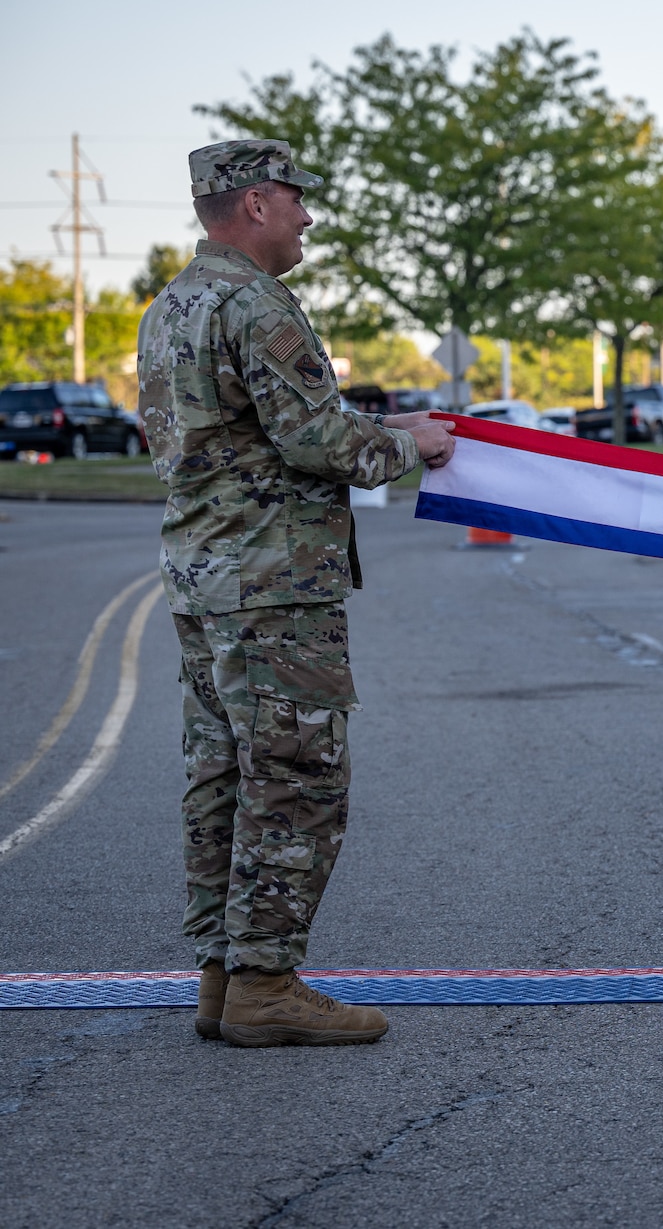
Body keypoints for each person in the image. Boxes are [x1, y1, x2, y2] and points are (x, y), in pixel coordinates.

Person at [138, 140, 456, 1047]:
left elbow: (238, 433)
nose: (308, 214)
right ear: (250, 206)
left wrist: (384, 421)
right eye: (295, 197)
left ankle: (220, 976)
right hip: (274, 586)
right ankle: (267, 984)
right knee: (295, 780)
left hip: (205, 580)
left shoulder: (171, 307)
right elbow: (316, 440)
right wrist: (413, 447)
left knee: (221, 777)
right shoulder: (256, 303)